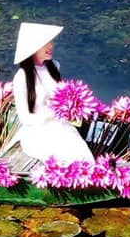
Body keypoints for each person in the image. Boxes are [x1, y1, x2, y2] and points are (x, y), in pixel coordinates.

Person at [11, 21, 94, 164]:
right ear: (33, 48)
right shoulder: (22, 77)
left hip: (60, 124)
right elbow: (25, 118)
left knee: (81, 154)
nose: (51, 46)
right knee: (64, 157)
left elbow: (60, 96)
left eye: (51, 42)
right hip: (37, 132)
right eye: (46, 43)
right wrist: (53, 114)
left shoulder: (54, 66)